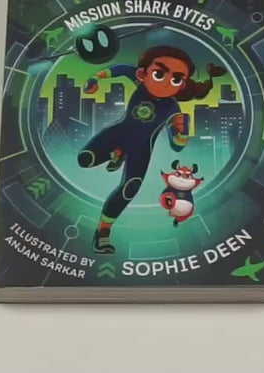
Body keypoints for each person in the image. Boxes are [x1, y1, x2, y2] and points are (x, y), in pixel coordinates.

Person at [77, 45, 225, 253]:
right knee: (85, 159)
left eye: (176, 79)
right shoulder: (140, 81)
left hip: (141, 148)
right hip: (120, 133)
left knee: (129, 188)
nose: (165, 83)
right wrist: (95, 79)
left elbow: (178, 145)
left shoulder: (173, 109)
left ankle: (102, 232)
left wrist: (182, 132)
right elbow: (121, 69)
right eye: (159, 74)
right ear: (142, 73)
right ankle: (118, 152)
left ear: (182, 85)